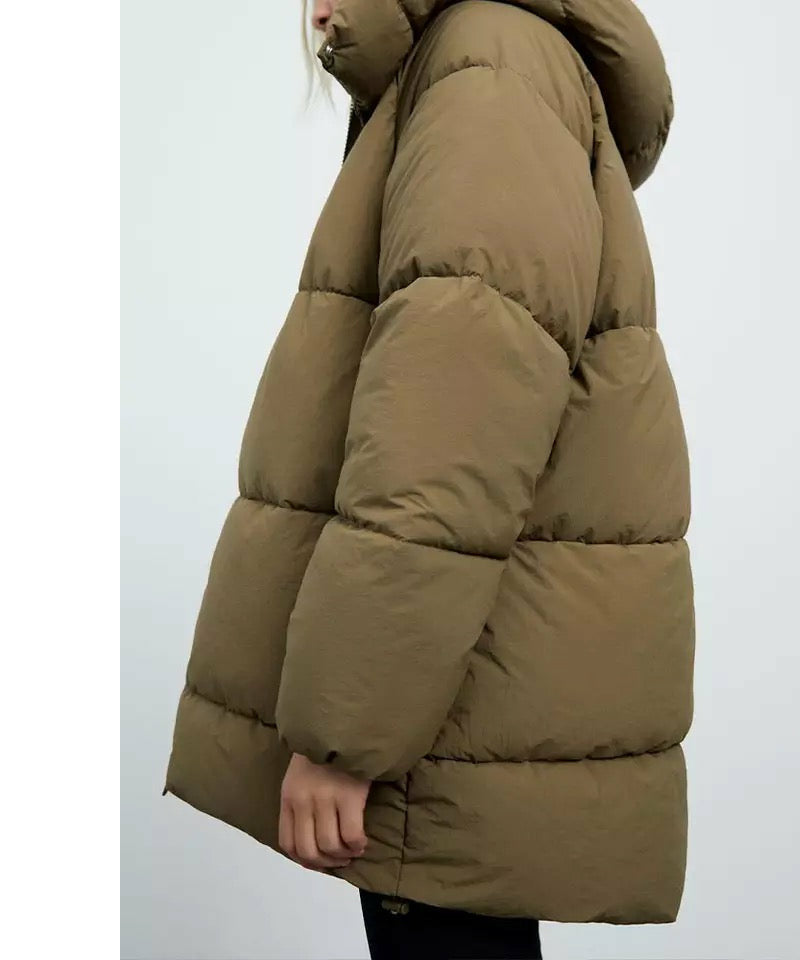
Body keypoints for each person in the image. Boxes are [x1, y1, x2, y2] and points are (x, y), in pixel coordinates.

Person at [163, 0, 694, 957]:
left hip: (447, 709)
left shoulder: (487, 64)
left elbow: (445, 440)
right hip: (464, 688)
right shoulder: (483, 66)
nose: (315, 7)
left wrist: (346, 728)